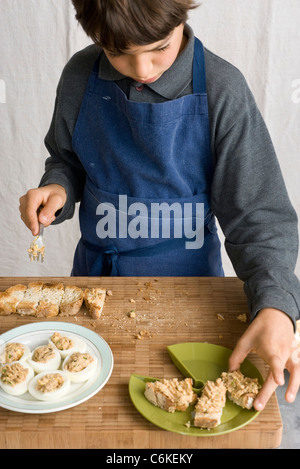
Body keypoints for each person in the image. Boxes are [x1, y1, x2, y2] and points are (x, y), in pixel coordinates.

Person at [19, 0, 300, 411]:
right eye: (118, 53)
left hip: (195, 298)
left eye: (159, 48)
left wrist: (276, 303)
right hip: (96, 292)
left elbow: (257, 217)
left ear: (182, 16)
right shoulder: (81, 76)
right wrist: (57, 188)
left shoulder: (222, 88)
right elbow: (67, 160)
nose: (144, 70)